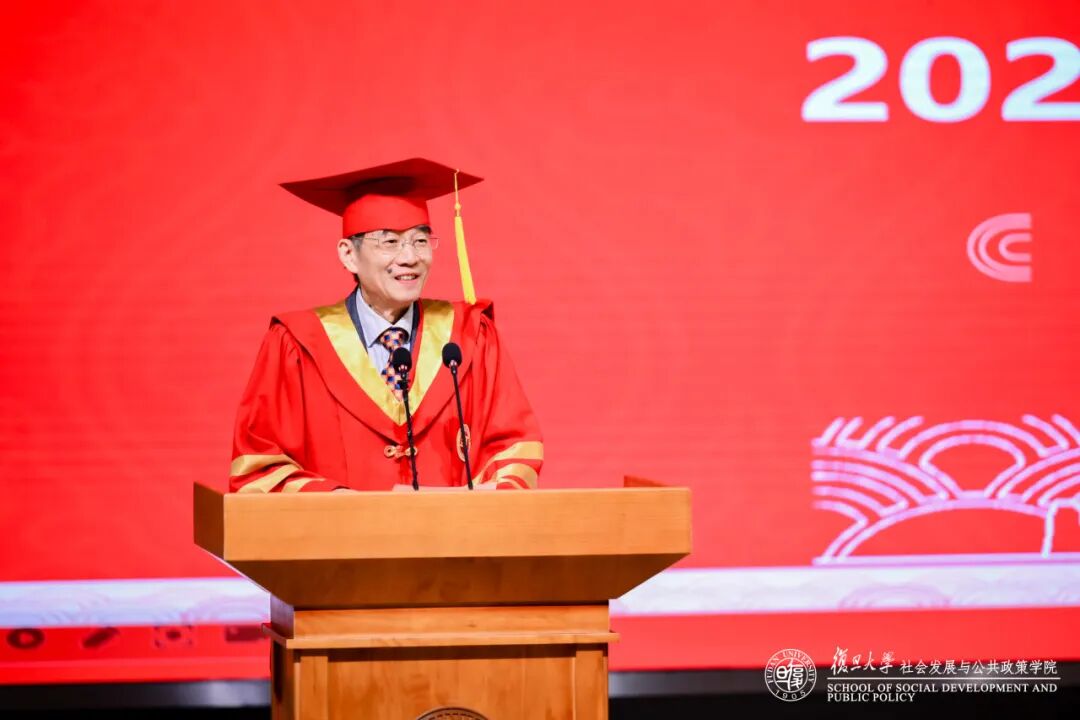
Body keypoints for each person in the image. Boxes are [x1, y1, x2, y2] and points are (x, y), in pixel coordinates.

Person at [228, 158, 543, 493]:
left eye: (420, 241)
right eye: (389, 242)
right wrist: (348, 508)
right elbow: (260, 467)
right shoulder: (297, 344)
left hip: (450, 528)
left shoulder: (470, 336)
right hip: (343, 528)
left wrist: (485, 498)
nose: (409, 258)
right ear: (348, 255)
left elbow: (513, 448)